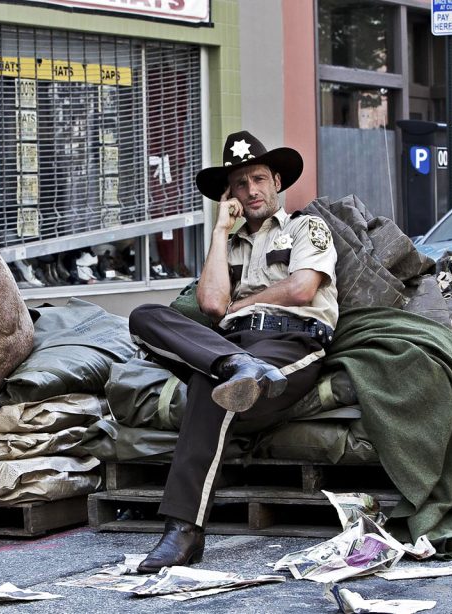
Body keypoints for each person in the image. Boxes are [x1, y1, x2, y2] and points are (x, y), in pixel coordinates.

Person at [128, 130, 338, 573]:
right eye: (240, 185)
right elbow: (209, 305)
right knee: (145, 316)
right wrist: (222, 229)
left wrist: (242, 305)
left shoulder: (307, 227)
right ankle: (232, 365)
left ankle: (182, 531)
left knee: (214, 386)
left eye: (259, 179)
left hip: (288, 344)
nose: (252, 190)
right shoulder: (233, 242)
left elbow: (302, 289)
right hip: (231, 347)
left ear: (277, 181)